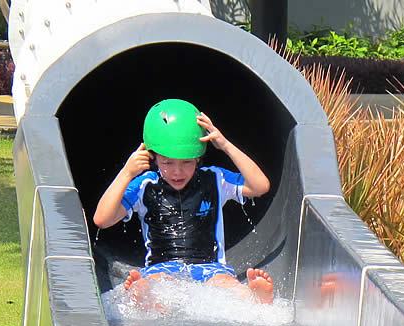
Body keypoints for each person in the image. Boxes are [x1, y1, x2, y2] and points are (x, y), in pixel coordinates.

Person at [93, 99, 274, 307]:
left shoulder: (215, 179)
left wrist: (225, 145)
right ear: (152, 157)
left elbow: (260, 186)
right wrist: (126, 173)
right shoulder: (145, 185)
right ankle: (147, 298)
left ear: (198, 158)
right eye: (167, 162)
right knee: (154, 284)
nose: (177, 171)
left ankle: (254, 299)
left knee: (226, 284)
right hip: (162, 268)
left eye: (186, 162)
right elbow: (102, 219)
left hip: (210, 267)